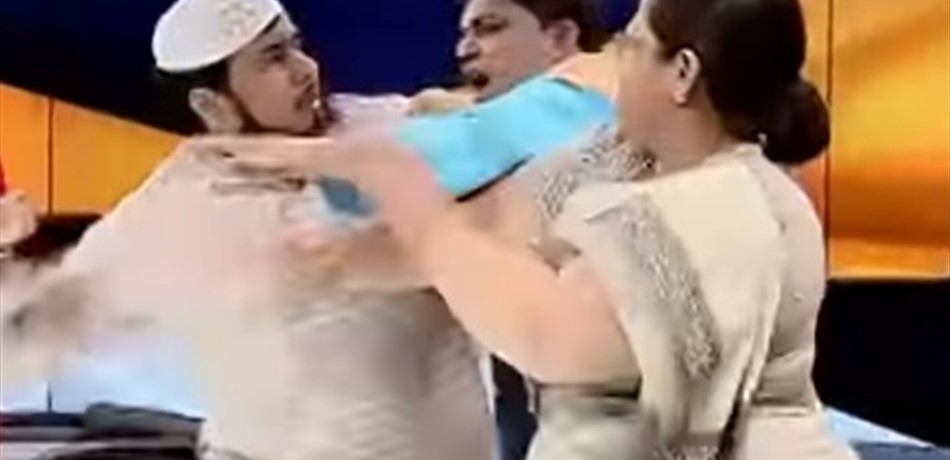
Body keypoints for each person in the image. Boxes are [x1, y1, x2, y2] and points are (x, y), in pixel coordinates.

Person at [202, 0, 862, 457]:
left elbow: (552, 336)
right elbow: (494, 224)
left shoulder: (731, 211)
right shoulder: (616, 151)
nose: (615, 58)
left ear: (682, 75)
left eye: (633, 44)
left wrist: (413, 204)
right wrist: (326, 260)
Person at [1, 1, 495, 459]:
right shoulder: (169, 214)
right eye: (274, 58)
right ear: (211, 104)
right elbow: (38, 326)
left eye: (297, 46)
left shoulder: (382, 126)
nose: (305, 68)